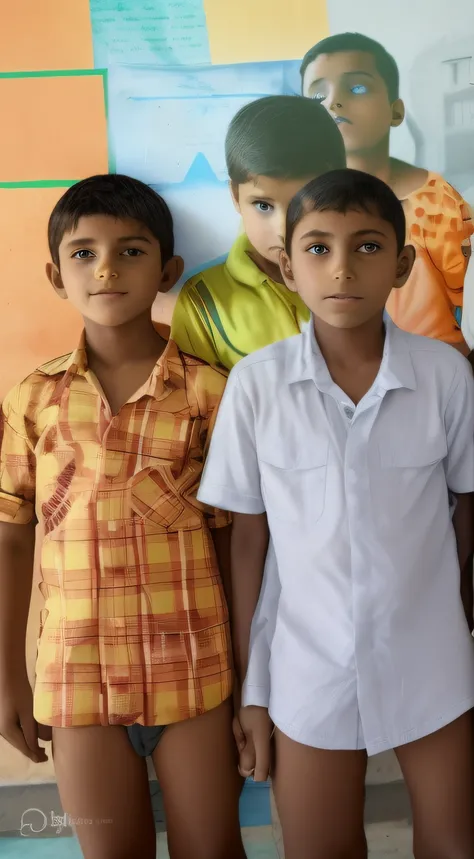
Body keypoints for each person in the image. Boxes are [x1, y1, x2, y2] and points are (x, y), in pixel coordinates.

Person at [198, 169, 474, 859]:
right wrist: (251, 691)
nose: (342, 267)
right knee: (319, 847)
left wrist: (458, 610)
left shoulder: (445, 375)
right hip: (307, 668)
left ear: (404, 263)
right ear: (286, 265)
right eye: (318, 248)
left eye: (369, 246)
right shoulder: (257, 385)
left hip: (433, 661)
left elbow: (467, 505)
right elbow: (248, 544)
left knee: (455, 842)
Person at [0, 174, 245, 859]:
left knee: (214, 847)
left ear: (167, 270)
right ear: (56, 275)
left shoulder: (207, 393)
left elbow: (236, 544)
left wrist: (251, 682)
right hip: (76, 677)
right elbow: (11, 536)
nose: (105, 268)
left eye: (131, 251)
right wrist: (8, 680)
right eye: (83, 252)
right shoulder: (34, 399)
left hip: (196, 675)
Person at [300, 32, 474, 354]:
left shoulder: (437, 203)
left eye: (357, 88)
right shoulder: (297, 204)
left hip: (433, 379)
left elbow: (468, 301)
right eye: (316, 96)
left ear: (396, 112)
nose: (333, 102)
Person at [170, 95, 346, 370]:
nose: (282, 228)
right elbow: (198, 405)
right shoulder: (205, 300)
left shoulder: (365, 277)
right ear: (235, 196)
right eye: (263, 205)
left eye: (305, 204)